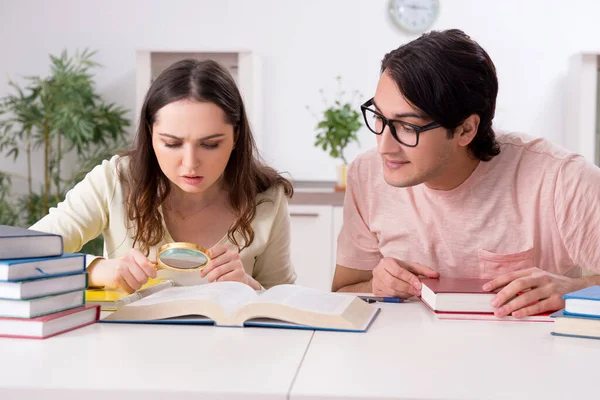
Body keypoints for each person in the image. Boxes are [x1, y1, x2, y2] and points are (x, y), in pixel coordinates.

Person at [332, 29, 600, 318]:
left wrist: (573, 290)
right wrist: (376, 284)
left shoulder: (561, 179)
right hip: (405, 357)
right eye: (379, 117)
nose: (384, 146)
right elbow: (343, 291)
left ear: (465, 130)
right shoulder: (367, 174)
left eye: (408, 127)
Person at [31, 59, 296, 293]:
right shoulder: (115, 181)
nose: (190, 164)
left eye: (211, 144)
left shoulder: (266, 197)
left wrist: (251, 288)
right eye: (172, 144)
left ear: (236, 136)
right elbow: (22, 256)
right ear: (150, 134)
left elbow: (286, 303)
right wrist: (98, 270)